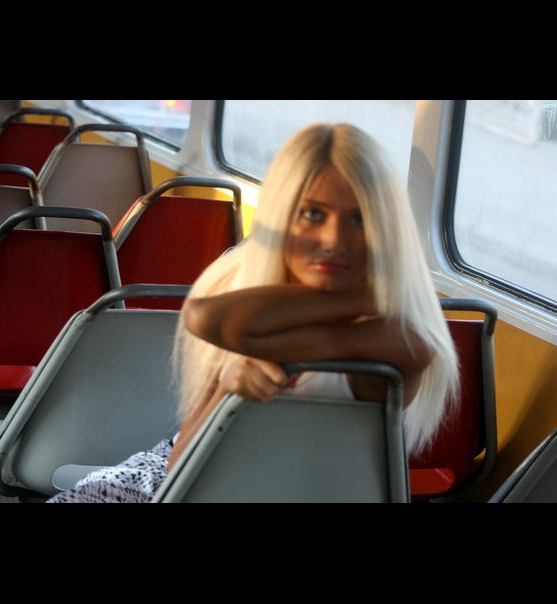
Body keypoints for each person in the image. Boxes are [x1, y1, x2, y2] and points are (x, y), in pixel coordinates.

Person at [47, 122, 459, 503]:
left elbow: (212, 321)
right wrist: (228, 388)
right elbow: (179, 467)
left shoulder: (404, 338)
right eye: (313, 214)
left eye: (359, 219)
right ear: (281, 218)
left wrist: (361, 303)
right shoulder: (236, 286)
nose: (334, 240)